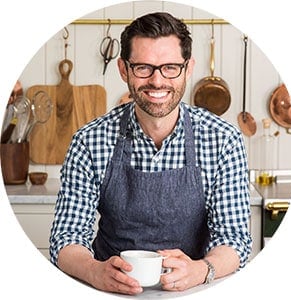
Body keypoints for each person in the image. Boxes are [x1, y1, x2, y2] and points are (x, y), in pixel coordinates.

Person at [49, 12, 252, 295]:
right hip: (108, 290)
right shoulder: (89, 141)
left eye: (170, 67)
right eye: (143, 67)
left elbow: (235, 239)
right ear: (124, 69)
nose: (157, 81)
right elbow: (65, 238)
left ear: (188, 67)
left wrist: (202, 270)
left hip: (196, 289)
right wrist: (95, 272)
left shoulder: (223, 139)